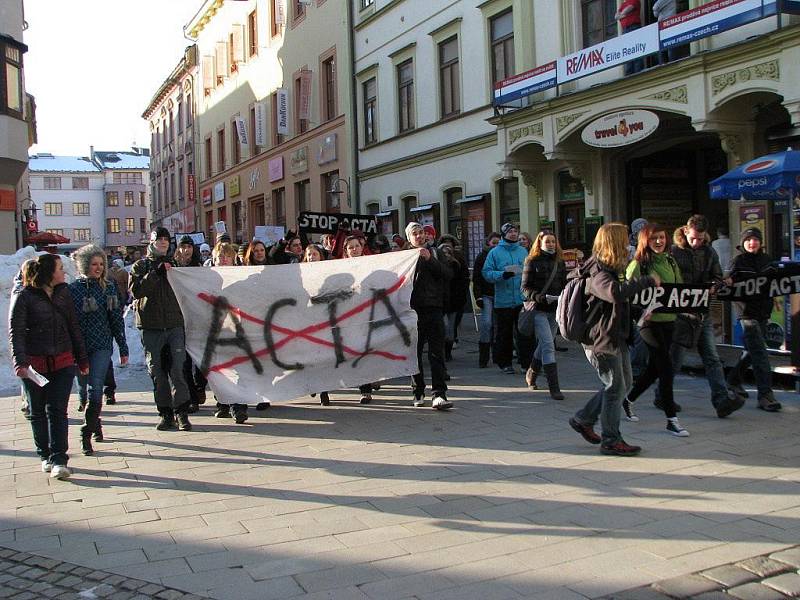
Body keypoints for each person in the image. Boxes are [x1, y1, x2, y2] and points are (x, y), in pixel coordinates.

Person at [568, 223, 660, 457]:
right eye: (623, 240)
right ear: (613, 242)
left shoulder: (612, 267)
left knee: (623, 384)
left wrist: (639, 312)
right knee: (614, 387)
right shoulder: (598, 269)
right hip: (601, 339)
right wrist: (646, 281)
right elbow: (614, 293)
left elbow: (619, 302)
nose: (628, 245)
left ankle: (584, 418)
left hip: (616, 336)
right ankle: (611, 439)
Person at [10, 254, 89, 479]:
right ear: (48, 273)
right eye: (60, 268)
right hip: (35, 365)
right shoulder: (24, 296)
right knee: (38, 411)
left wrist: (82, 359)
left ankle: (59, 458)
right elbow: (16, 332)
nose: (64, 272)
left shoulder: (64, 293)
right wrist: (20, 362)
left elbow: (74, 327)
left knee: (57, 410)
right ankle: (44, 454)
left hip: (63, 362)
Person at [668, 215, 743, 418]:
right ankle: (662, 394)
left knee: (712, 358)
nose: (696, 242)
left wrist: (715, 286)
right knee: (676, 358)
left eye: (700, 239)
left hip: (703, 311)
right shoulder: (673, 251)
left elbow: (717, 276)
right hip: (682, 313)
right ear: (685, 231)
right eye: (693, 238)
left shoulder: (709, 251)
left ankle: (721, 401)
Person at [624, 223, 689, 436]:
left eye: (662, 237)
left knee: (654, 368)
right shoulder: (638, 265)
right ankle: (672, 418)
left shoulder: (671, 260)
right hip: (648, 323)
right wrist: (640, 310)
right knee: (666, 367)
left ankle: (628, 399)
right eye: (654, 239)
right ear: (645, 241)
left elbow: (678, 289)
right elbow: (626, 295)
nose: (659, 242)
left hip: (669, 320)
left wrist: (689, 308)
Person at [130, 227, 193, 431]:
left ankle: (182, 411)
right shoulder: (141, 266)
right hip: (151, 326)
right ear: (152, 241)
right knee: (157, 371)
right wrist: (155, 274)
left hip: (174, 324)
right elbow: (137, 291)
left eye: (167, 239)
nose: (164, 242)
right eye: (160, 238)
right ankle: (166, 413)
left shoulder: (175, 264)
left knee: (178, 369)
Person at [68, 245, 129, 455]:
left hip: (102, 345)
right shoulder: (72, 289)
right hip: (79, 348)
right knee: (83, 390)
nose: (98, 268)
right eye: (94, 264)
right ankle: (96, 423)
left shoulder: (109, 287)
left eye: (101, 264)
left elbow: (116, 320)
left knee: (95, 387)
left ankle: (85, 433)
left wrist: (122, 345)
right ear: (85, 265)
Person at [726, 227, 782, 412]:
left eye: (755, 239)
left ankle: (733, 380)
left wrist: (775, 300)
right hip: (747, 314)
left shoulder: (767, 260)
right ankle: (765, 395)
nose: (752, 242)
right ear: (743, 242)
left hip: (763, 311)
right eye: (748, 239)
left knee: (752, 351)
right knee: (760, 352)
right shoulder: (738, 262)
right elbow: (728, 286)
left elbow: (775, 282)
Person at [406, 222, 453, 409]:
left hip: (434, 308)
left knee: (436, 353)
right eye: (414, 234)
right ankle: (418, 391)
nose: (419, 236)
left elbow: (448, 273)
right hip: (412, 311)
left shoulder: (435, 253)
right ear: (409, 238)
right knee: (414, 354)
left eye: (421, 233)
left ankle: (439, 394)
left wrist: (429, 260)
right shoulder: (404, 257)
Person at [522, 232, 567, 399]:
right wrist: (540, 297)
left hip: (555, 309)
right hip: (539, 309)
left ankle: (532, 373)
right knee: (548, 344)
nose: (551, 244)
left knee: (544, 343)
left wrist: (565, 297)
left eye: (553, 241)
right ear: (539, 243)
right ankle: (554, 388)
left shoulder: (559, 262)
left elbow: (565, 285)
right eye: (547, 242)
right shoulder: (532, 261)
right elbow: (525, 288)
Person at [481, 223, 532, 374]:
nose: (514, 234)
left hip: (522, 299)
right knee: (504, 333)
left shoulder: (523, 251)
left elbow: (530, 269)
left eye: (516, 231)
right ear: (504, 234)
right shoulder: (495, 252)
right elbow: (486, 273)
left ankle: (526, 363)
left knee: (524, 333)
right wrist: (502, 274)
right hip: (503, 300)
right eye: (510, 232)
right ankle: (505, 363)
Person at [341, 234, 378, 404]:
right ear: (346, 251)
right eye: (351, 247)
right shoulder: (339, 268)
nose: (354, 249)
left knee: (367, 350)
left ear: (362, 248)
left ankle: (369, 384)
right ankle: (363, 385)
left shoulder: (371, 265)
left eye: (357, 246)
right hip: (349, 317)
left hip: (368, 314)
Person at [173, 235, 208, 414]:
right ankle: (192, 397)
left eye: (189, 247)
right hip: (178, 320)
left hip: (197, 319)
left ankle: (200, 385)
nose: (186, 250)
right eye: (183, 246)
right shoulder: (173, 267)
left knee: (201, 360)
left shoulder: (198, 268)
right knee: (183, 361)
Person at [438, 234, 470, 361]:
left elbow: (463, 281)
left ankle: (447, 352)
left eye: (448, 251)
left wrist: (461, 299)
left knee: (450, 329)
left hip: (454, 302)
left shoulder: (458, 263)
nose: (446, 253)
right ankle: (441, 351)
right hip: (440, 302)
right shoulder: (436, 264)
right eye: (443, 251)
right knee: (443, 327)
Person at [472, 232, 501, 368]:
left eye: (498, 243)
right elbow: (476, 278)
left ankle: (497, 356)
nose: (496, 245)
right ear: (488, 243)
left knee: (497, 325)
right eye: (493, 243)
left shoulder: (502, 255)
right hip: (486, 294)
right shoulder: (482, 256)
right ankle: (483, 357)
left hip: (501, 294)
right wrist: (478, 296)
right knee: (486, 323)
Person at [616, 0, 643, 75]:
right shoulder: (623, 4)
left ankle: (638, 71)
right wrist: (622, 14)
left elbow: (629, 8)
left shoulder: (635, 0)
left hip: (634, 27)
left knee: (636, 48)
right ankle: (629, 72)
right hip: (625, 29)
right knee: (627, 51)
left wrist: (622, 14)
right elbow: (616, 16)